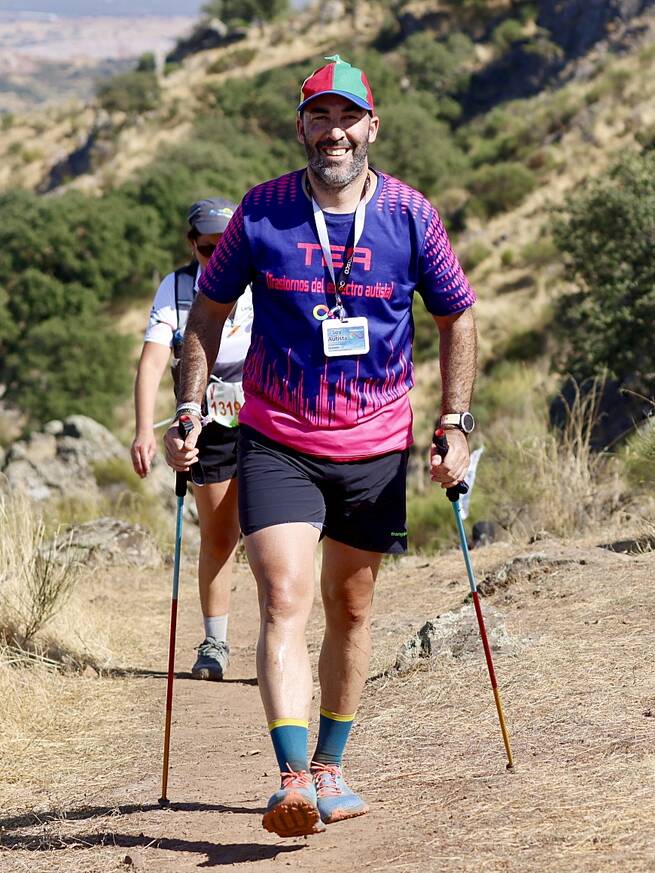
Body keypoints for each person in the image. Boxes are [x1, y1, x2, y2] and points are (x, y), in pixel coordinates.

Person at [164, 55, 477, 836]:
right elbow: (207, 309)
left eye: (347, 118)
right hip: (278, 437)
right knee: (282, 596)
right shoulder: (262, 211)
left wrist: (455, 423)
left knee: (350, 605)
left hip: (374, 443)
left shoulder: (410, 214)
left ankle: (333, 764)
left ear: (372, 125)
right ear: (300, 127)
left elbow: (456, 316)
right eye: (318, 117)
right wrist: (189, 406)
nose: (333, 132)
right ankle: (292, 778)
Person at [131, 198, 253, 681]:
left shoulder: (261, 277)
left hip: (267, 417)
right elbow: (153, 360)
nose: (217, 255)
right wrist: (144, 428)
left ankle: (278, 640)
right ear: (192, 245)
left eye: (227, 245)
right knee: (220, 535)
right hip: (208, 419)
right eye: (207, 248)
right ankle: (215, 643)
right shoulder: (178, 287)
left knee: (272, 537)